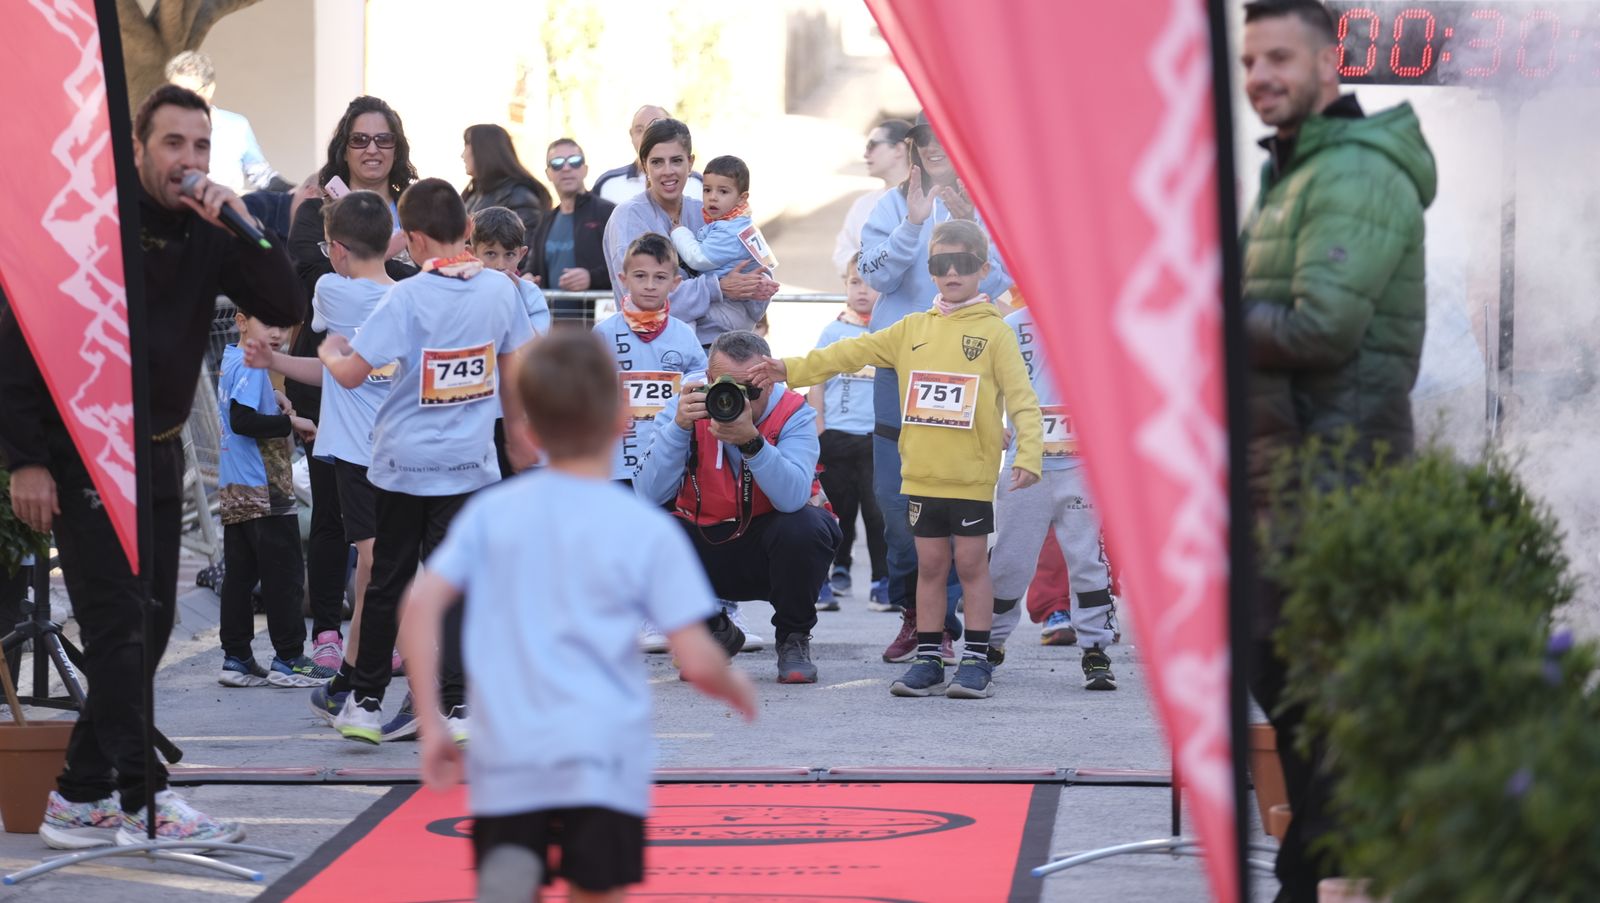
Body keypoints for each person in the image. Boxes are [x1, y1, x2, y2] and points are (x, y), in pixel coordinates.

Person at [0, 84, 302, 846]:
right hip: (86, 453)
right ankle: (144, 798)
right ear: (138, 148)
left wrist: (246, 228)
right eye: (174, 145)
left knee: (155, 622)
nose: (189, 161)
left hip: (159, 450)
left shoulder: (210, 230)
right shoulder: (89, 224)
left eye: (200, 147)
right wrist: (26, 461)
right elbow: (16, 343)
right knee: (119, 629)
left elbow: (284, 300)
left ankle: (80, 790)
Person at [398, 330, 756, 903]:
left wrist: (431, 716)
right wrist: (733, 688)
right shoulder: (646, 529)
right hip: (604, 755)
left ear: (529, 433)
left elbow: (419, 606)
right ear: (621, 423)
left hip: (511, 752)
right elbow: (696, 653)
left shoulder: (492, 512)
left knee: (509, 886)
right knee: (598, 891)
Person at [1239, 1, 1434, 898]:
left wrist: (1200, 313)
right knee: (1304, 708)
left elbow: (1322, 326)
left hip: (1332, 481)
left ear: (1331, 68)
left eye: (1280, 56)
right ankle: (1315, 876)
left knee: (1322, 714)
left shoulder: (1352, 171)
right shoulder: (1301, 170)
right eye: (1249, 61)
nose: (1260, 76)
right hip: (1291, 480)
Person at [757, 220, 1041, 699]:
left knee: (971, 566)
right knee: (927, 567)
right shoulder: (910, 329)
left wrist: (1028, 453)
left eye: (963, 264)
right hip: (922, 476)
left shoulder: (996, 335)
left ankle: (976, 660)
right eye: (941, 264)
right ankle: (928, 659)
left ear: (984, 270)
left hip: (970, 476)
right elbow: (847, 352)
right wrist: (788, 367)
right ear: (930, 270)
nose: (952, 273)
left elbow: (1022, 399)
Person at [313, 178, 538, 744]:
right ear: (468, 229)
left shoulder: (406, 296)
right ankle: (459, 706)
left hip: (402, 463)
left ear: (410, 240)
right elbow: (517, 371)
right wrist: (517, 440)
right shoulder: (499, 293)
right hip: (468, 464)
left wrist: (329, 349)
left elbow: (352, 372)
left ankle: (365, 703)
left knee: (389, 580)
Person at [241, 190, 400, 733]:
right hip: (401, 456)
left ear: (335, 249)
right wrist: (279, 361)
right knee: (384, 569)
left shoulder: (332, 291)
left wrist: (271, 357)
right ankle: (355, 682)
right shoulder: (407, 299)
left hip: (359, 459)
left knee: (376, 570)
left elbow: (331, 358)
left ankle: (360, 682)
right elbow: (333, 369)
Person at [858, 111, 1011, 663]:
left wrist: (977, 233)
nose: (937, 152)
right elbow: (875, 276)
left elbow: (1000, 283)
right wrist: (914, 224)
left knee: (954, 502)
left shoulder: (983, 203)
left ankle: (955, 632)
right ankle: (917, 618)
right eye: (927, 144)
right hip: (899, 369)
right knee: (896, 501)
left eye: (948, 141)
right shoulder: (891, 205)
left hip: (963, 369)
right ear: (914, 150)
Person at [285, 95, 420, 674]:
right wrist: (391, 253)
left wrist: (388, 255)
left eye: (382, 140)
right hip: (329, 384)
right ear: (344, 145)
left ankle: (378, 636)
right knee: (334, 517)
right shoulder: (314, 207)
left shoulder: (412, 204)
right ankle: (329, 633)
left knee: (387, 526)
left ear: (397, 148)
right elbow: (310, 274)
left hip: (393, 395)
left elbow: (429, 273)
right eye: (360, 140)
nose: (371, 150)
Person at [634, 330, 841, 684]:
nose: (739, 400)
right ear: (709, 380)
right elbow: (648, 494)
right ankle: (713, 628)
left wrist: (753, 442)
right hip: (705, 539)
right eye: (728, 387)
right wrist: (679, 429)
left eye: (752, 390)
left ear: (770, 381)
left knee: (806, 526)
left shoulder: (794, 412)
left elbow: (792, 497)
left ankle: (793, 639)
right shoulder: (687, 405)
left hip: (771, 549)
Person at [986, 295, 1119, 689]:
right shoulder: (1011, 325)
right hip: (1025, 466)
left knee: (1086, 559)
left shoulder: (1096, 321)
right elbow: (988, 385)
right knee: (1010, 560)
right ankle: (988, 645)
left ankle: (1095, 648)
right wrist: (994, 424)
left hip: (1081, 466)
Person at [215, 310, 331, 690]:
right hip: (264, 487)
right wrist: (292, 423)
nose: (278, 333)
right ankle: (289, 658)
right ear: (242, 320)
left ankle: (237, 657)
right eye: (268, 323)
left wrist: (274, 394)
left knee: (241, 574)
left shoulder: (233, 359)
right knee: (284, 574)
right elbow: (242, 420)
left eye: (282, 325)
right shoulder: (251, 363)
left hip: (235, 485)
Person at [603, 118, 778, 346]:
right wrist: (718, 288)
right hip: (653, 351)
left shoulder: (711, 212)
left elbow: (758, 272)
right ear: (644, 165)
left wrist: (756, 284)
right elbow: (641, 296)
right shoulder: (628, 217)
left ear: (690, 162)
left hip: (721, 352)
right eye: (657, 162)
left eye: (676, 161)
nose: (668, 171)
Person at [808, 252, 889, 612]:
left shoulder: (888, 330)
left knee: (877, 513)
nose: (862, 290)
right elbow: (816, 380)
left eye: (870, 283)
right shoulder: (833, 331)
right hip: (837, 436)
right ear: (844, 285)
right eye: (855, 282)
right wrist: (818, 422)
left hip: (876, 439)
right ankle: (827, 577)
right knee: (835, 511)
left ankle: (882, 582)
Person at [597, 234, 707, 484]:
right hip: (615, 466)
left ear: (675, 283)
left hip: (670, 464)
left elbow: (699, 390)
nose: (649, 285)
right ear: (622, 279)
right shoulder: (603, 334)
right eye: (640, 276)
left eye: (660, 277)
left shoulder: (685, 336)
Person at [471, 205, 552, 478]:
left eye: (509, 255)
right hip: (473, 407)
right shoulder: (463, 292)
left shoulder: (529, 294)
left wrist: (512, 299)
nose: (500, 265)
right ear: (473, 253)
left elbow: (533, 348)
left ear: (522, 254)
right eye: (490, 254)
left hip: (512, 410)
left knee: (508, 478)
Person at [163, 50, 288, 194]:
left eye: (188, 93)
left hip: (225, 213)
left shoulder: (236, 126)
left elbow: (261, 174)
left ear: (209, 90)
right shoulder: (163, 130)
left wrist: (294, 192)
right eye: (174, 93)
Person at [525, 138, 615, 324]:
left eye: (574, 161)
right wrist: (527, 277)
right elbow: (532, 268)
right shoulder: (546, 220)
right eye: (557, 163)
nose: (566, 168)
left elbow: (629, 266)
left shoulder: (608, 212)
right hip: (552, 326)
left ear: (585, 169)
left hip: (597, 326)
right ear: (548, 173)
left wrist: (591, 278)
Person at [670, 155, 775, 279]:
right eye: (707, 190)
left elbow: (698, 258)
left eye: (723, 191)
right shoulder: (742, 224)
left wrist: (679, 232)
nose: (712, 197)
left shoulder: (729, 231)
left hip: (730, 297)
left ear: (742, 199)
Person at [831, 119, 912, 278]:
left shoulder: (931, 200)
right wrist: (871, 271)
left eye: (872, 146)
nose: (865, 154)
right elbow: (842, 254)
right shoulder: (862, 204)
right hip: (870, 297)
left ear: (898, 149)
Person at [461, 123, 552, 253]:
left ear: (482, 150)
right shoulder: (472, 194)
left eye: (466, 146)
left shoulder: (518, 196)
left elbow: (521, 254)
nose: (462, 155)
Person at [593, 103, 703, 205]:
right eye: (640, 130)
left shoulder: (700, 185)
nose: (647, 135)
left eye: (656, 127)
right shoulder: (608, 185)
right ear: (631, 135)